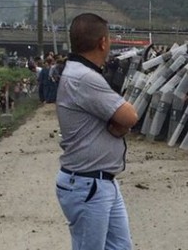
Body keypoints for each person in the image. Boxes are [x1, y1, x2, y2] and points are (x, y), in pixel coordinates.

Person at [55, 13, 138, 250]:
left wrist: (120, 122)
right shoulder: (84, 78)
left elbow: (121, 119)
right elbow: (130, 116)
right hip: (88, 183)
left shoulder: (80, 72)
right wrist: (121, 121)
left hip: (101, 181)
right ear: (103, 42)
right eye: (109, 40)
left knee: (121, 247)